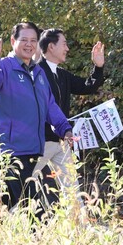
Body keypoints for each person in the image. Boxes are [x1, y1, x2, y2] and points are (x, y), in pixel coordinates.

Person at [0, 22, 73, 216]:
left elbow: (50, 105)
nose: (29, 44)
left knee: (9, 204)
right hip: (12, 150)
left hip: (34, 149)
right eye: (24, 40)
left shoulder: (38, 72)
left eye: (33, 40)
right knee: (31, 208)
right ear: (13, 41)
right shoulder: (3, 66)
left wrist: (64, 128)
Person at [34, 28, 105, 199]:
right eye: (64, 44)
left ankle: (78, 217)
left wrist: (98, 67)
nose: (67, 48)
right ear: (51, 47)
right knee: (22, 185)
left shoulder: (62, 74)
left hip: (62, 141)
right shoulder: (35, 72)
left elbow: (87, 86)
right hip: (39, 142)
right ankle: (2, 213)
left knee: (72, 189)